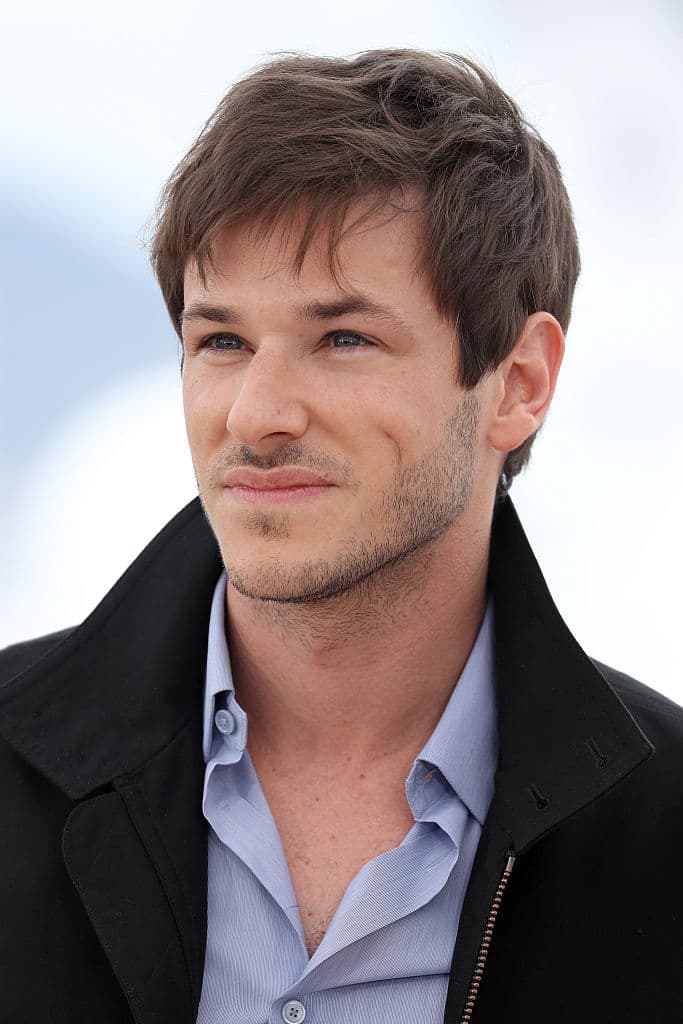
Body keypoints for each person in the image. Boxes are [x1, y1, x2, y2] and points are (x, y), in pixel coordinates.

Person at [0, 49, 681, 1024]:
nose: (255, 414)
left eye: (343, 338)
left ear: (517, 383)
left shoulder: (661, 842)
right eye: (221, 340)